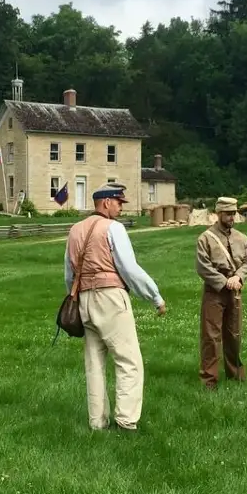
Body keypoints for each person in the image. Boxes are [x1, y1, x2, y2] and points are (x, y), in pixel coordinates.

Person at [64, 182, 167, 432]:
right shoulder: (114, 228)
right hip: (110, 297)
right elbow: (129, 269)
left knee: (94, 364)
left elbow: (69, 273)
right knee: (128, 360)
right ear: (106, 202)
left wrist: (74, 296)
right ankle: (126, 421)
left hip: (84, 300)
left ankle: (97, 423)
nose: (121, 207)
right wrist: (155, 296)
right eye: (119, 202)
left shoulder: (75, 230)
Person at [196, 197, 247, 390]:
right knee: (211, 337)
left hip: (235, 290)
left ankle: (235, 375)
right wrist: (223, 282)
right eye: (228, 213)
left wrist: (238, 278)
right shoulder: (205, 238)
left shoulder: (242, 238)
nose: (232, 217)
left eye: (234, 213)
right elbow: (203, 267)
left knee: (234, 334)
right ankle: (209, 381)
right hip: (214, 292)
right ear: (219, 213)